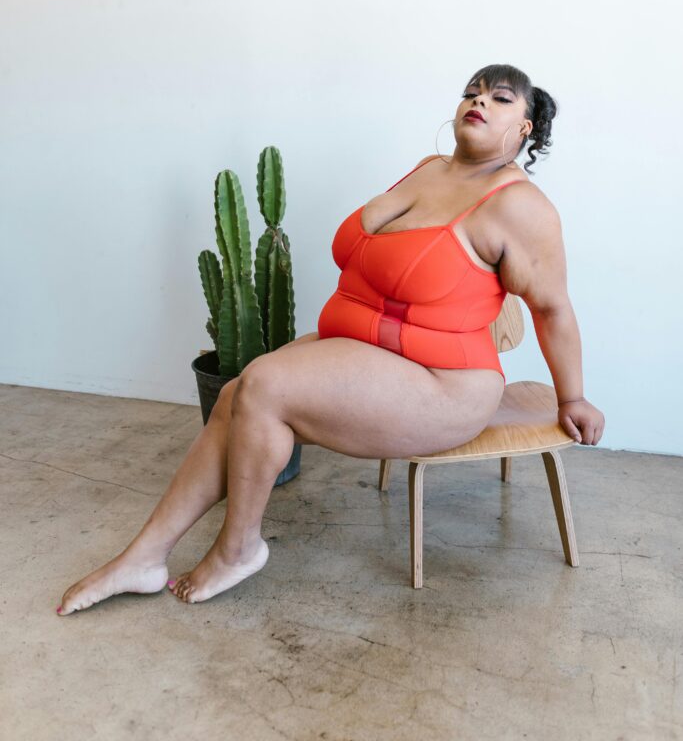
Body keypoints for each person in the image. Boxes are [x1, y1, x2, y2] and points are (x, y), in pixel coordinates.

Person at [56, 63, 605, 614]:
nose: (478, 101)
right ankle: (144, 557)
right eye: (471, 92)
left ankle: (238, 549)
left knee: (265, 385)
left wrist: (573, 397)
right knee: (235, 395)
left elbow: (553, 309)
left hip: (447, 385)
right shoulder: (428, 169)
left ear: (526, 127)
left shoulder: (521, 208)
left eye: (500, 98)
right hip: (373, 353)